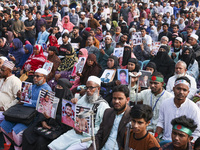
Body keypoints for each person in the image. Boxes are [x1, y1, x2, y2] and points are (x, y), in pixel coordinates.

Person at [48, 76, 110, 150]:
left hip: (89, 137)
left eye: (91, 88)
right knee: (54, 146)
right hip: (75, 132)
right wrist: (73, 104)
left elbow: (102, 129)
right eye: (87, 87)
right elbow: (74, 113)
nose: (88, 90)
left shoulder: (103, 106)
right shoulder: (84, 98)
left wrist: (83, 132)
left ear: (98, 88)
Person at [1, 68, 51, 150]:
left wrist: (25, 102)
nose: (35, 78)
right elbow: (23, 99)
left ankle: (18, 148)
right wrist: (20, 96)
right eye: (34, 75)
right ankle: (11, 145)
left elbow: (41, 104)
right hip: (22, 112)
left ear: (44, 77)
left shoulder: (47, 89)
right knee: (3, 126)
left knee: (16, 131)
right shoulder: (32, 86)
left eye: (37, 76)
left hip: (33, 116)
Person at [155, 76, 200, 142]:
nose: (181, 92)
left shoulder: (194, 108)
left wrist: (189, 143)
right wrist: (156, 136)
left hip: (184, 144)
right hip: (165, 140)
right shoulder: (165, 103)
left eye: (184, 90)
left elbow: (197, 131)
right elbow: (160, 122)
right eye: (178, 88)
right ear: (173, 89)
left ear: (188, 92)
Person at [88, 85, 131, 150]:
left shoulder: (132, 116)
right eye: (114, 98)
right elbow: (99, 135)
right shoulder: (108, 112)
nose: (116, 101)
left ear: (127, 100)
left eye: (120, 99)